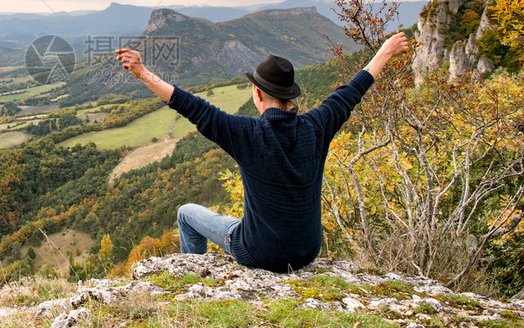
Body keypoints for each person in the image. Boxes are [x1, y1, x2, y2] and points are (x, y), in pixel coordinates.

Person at [116, 32, 408, 272]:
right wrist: (384, 51)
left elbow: (189, 105)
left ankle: (196, 276)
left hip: (260, 253)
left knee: (186, 213)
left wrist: (143, 73)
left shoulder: (247, 134)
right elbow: (351, 92)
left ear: (257, 94)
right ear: (290, 97)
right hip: (307, 251)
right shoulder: (317, 125)